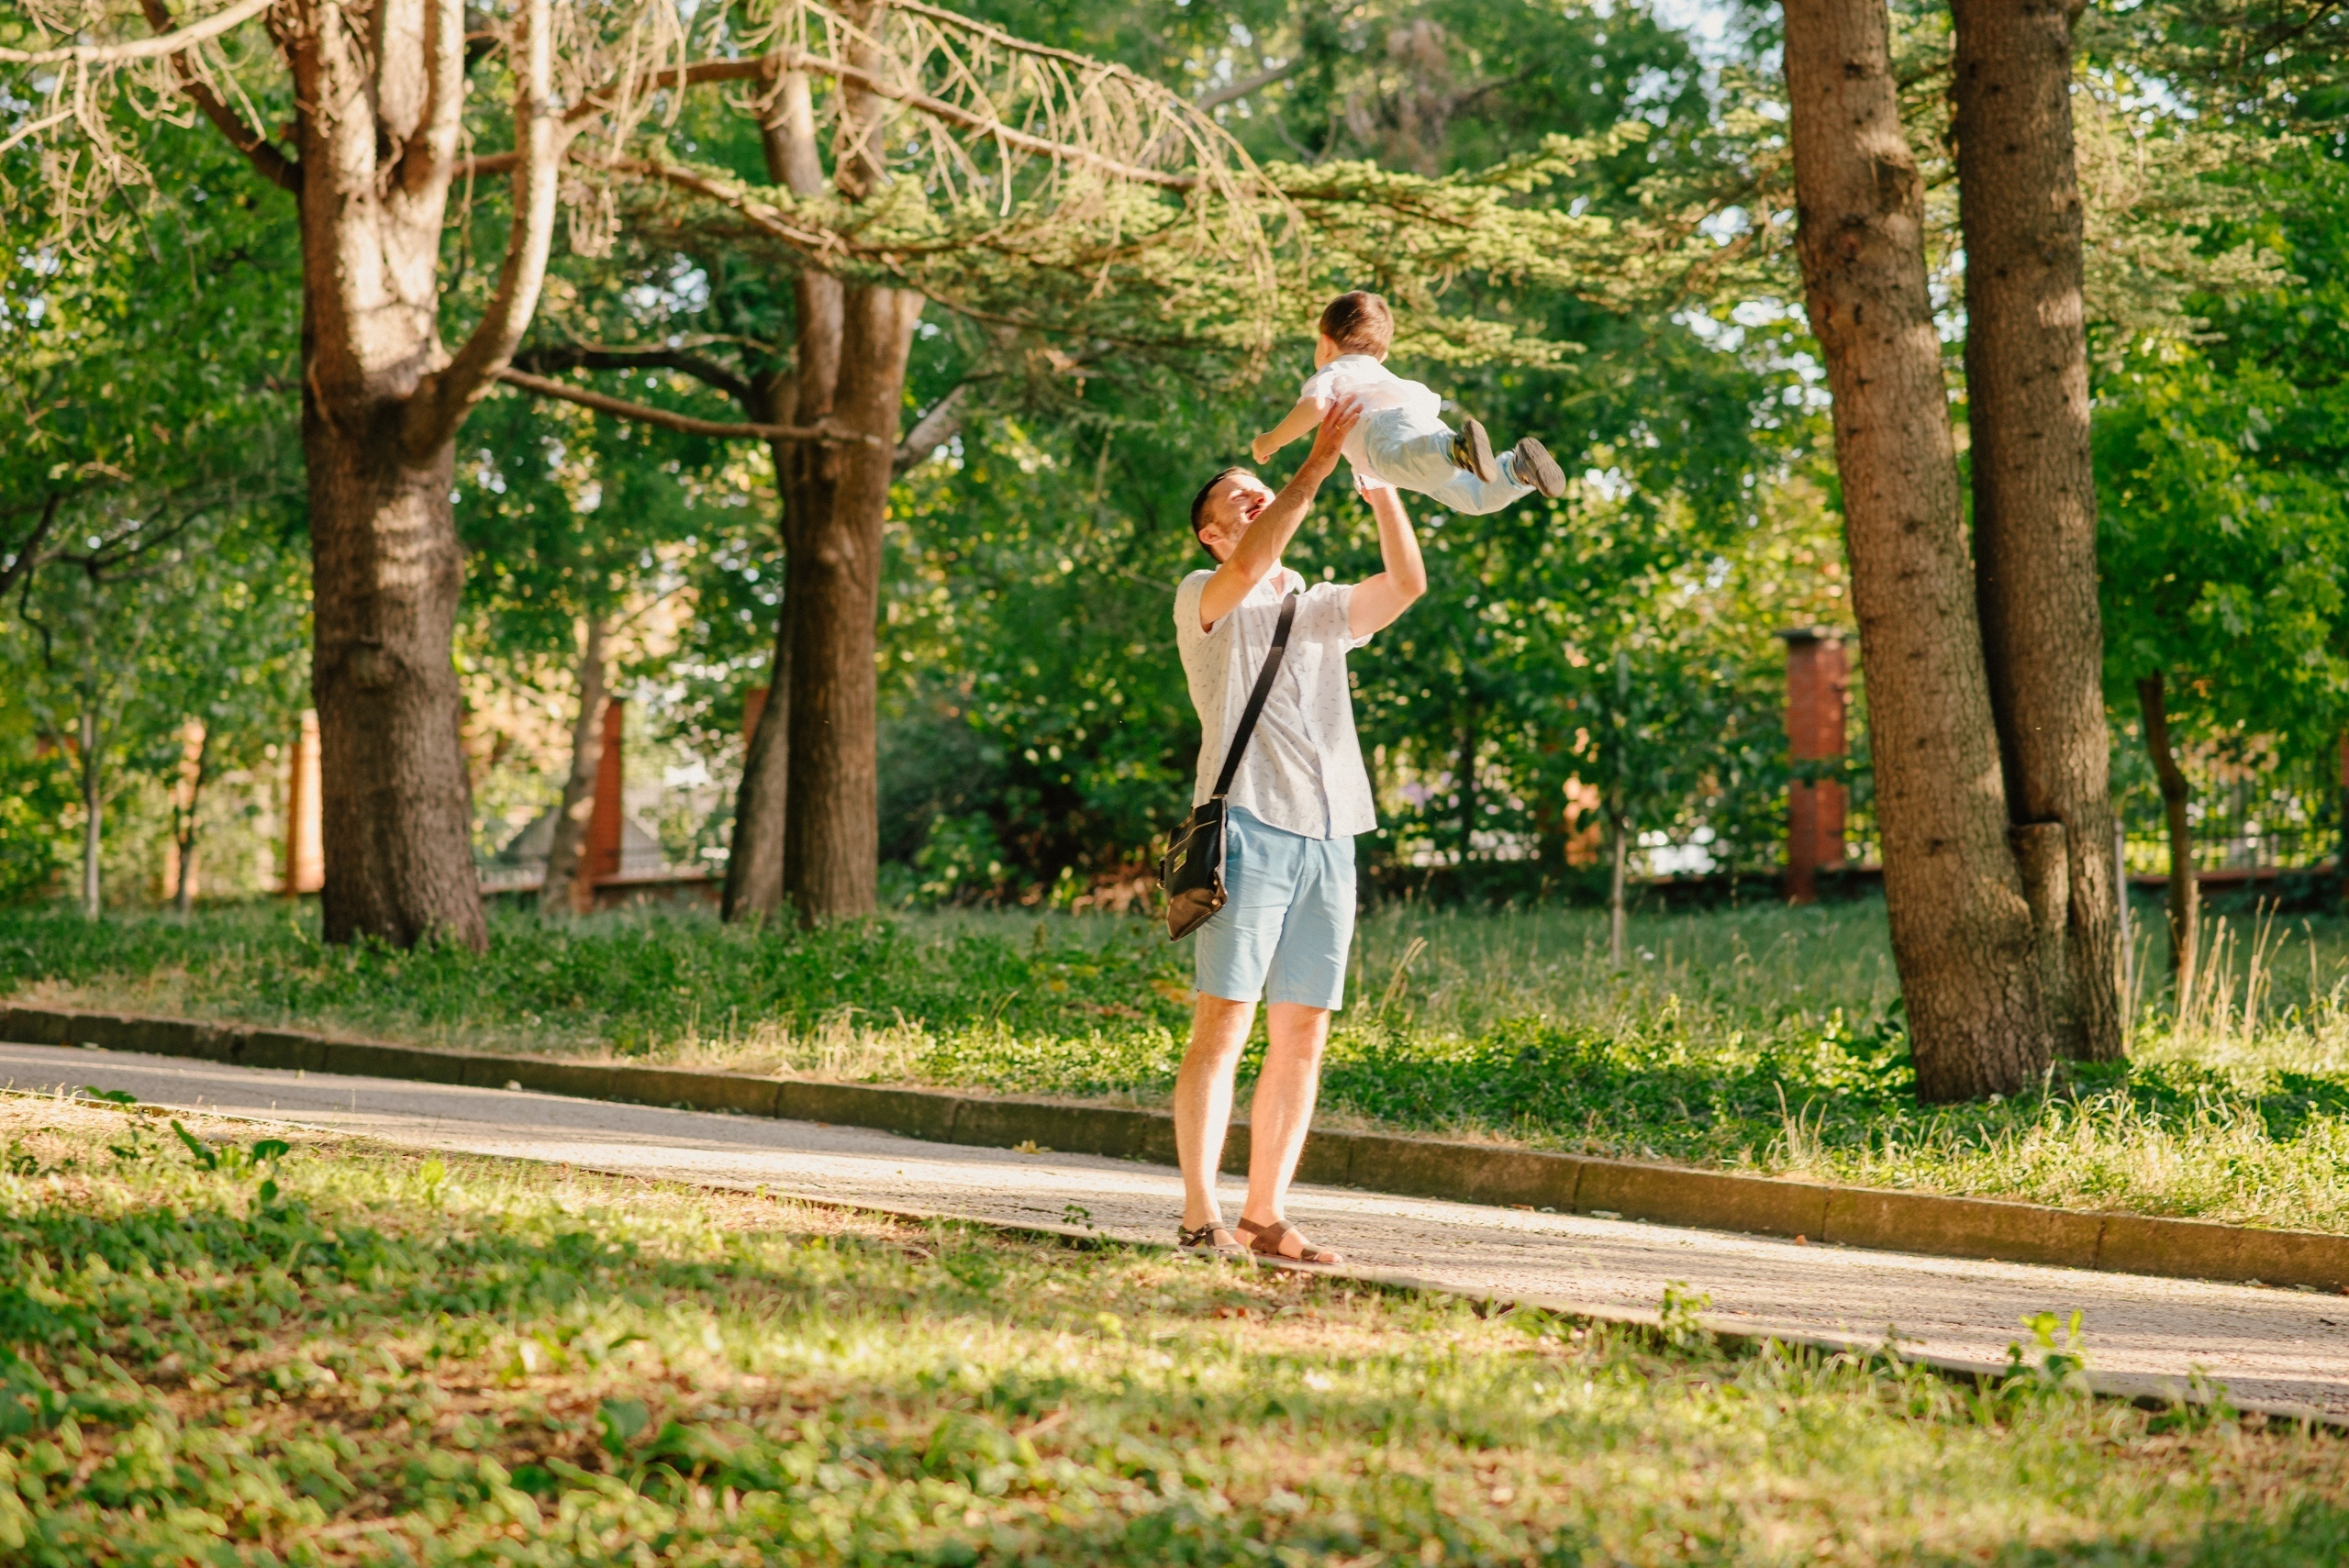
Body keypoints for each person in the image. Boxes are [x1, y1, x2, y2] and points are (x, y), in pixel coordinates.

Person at [1172, 397, 1428, 1264]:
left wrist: (1382, 488)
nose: (1254, 494)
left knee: (1303, 1034)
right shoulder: (1205, 595)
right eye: (1236, 497)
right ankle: (1201, 1214)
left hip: (1331, 835)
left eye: (1260, 486)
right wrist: (1312, 463)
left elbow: (1406, 585)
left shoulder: (1319, 607)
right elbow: (1255, 562)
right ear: (1212, 535)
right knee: (1223, 1025)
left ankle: (1264, 1214)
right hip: (1247, 826)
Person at [1252, 290, 1567, 516]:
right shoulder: (1377, 374)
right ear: (1383, 356)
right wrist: (1370, 480)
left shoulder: (1334, 371)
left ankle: (1457, 450)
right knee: (1474, 500)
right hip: (1420, 427)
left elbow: (1317, 407)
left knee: (1401, 463)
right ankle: (1516, 470)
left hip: (1387, 432)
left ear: (1325, 345)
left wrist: (1272, 440)